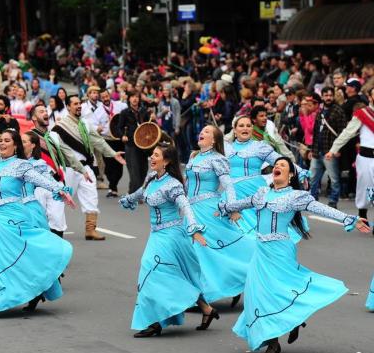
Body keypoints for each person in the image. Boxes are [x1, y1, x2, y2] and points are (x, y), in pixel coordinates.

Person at [218, 157, 369, 353]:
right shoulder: (261, 193)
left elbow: (321, 209)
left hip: (280, 251)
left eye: (283, 166)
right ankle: (272, 342)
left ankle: (291, 321)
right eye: (276, 165)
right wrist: (223, 207)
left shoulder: (296, 196)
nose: (278, 167)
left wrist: (349, 218)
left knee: (281, 289)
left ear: (290, 175)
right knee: (259, 294)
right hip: (261, 250)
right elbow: (239, 204)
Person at [119, 143, 219, 337]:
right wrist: (129, 199)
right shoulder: (151, 178)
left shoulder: (173, 184)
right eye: (151, 154)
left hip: (172, 235)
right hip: (156, 234)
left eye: (156, 155)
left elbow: (186, 207)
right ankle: (207, 309)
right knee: (180, 274)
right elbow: (142, 192)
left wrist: (194, 229)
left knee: (150, 269)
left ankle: (154, 321)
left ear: (167, 161)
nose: (151, 158)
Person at [0, 129, 76, 319]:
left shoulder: (22, 166)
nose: (1, 143)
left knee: (19, 256)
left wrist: (61, 190)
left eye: (6, 140)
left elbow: (44, 181)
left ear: (15, 145)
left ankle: (0, 302)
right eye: (0, 140)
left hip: (14, 218)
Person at [185, 125, 255, 305]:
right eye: (202, 130)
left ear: (214, 140)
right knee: (192, 252)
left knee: (206, 251)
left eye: (207, 132)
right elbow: (187, 186)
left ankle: (254, 273)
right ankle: (195, 294)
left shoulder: (218, 159)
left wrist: (231, 208)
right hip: (191, 210)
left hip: (208, 210)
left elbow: (229, 185)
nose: (202, 133)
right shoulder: (194, 156)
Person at [224, 116, 308, 243]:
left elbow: (280, 161)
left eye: (248, 125)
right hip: (231, 193)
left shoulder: (259, 147)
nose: (245, 128)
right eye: (241, 126)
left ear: (252, 129)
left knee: (262, 225)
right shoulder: (225, 148)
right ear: (234, 130)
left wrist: (300, 172)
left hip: (254, 190)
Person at [52, 95, 125, 240]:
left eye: (79, 103)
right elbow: (59, 149)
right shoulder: (60, 126)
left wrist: (112, 153)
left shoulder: (85, 123)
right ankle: (55, 231)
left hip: (86, 168)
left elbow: (98, 141)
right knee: (61, 200)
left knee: (91, 196)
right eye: (75, 104)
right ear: (68, 107)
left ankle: (90, 230)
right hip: (69, 169)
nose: (78, 106)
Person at [30, 103, 87, 237]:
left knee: (58, 221)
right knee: (39, 222)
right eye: (41, 111)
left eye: (46, 111)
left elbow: (68, 154)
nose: (45, 113)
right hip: (37, 186)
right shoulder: (28, 137)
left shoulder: (54, 136)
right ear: (33, 117)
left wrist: (82, 169)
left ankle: (56, 254)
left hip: (56, 184)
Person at [326, 87, 374, 229]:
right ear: (370, 98)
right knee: (366, 189)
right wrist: (333, 149)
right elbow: (347, 133)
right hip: (366, 158)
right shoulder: (363, 114)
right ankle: (363, 213)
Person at [309, 87, 346, 208]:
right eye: (326, 95)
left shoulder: (338, 111)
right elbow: (315, 131)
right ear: (322, 96)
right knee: (313, 178)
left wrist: (338, 150)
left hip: (330, 150)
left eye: (330, 95)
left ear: (333, 96)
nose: (328, 98)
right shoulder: (320, 111)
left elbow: (343, 132)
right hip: (317, 150)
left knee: (334, 178)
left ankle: (333, 201)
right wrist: (312, 149)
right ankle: (312, 200)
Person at [118, 90, 150, 194]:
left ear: (139, 99)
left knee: (144, 169)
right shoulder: (124, 112)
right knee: (134, 170)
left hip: (144, 144)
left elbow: (150, 126)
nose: (135, 99)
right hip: (131, 144)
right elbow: (119, 127)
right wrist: (122, 135)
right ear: (129, 99)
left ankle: (134, 191)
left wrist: (152, 119)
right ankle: (135, 193)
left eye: (136, 96)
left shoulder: (144, 111)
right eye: (132, 97)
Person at [99, 88, 126, 197]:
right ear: (101, 99)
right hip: (106, 140)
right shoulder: (98, 111)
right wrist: (98, 128)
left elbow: (128, 113)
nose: (105, 98)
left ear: (109, 95)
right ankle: (112, 185)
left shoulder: (120, 105)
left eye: (106, 96)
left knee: (119, 165)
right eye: (103, 97)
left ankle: (113, 186)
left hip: (118, 140)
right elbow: (93, 124)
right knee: (108, 165)